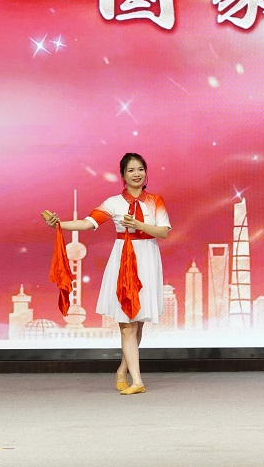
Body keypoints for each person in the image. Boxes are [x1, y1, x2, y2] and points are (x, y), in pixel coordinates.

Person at [43, 152, 171, 395]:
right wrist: (59, 224)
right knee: (127, 324)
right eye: (131, 170)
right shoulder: (113, 203)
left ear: (146, 173)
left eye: (140, 169)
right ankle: (138, 382)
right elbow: (87, 223)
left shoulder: (156, 201)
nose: (136, 174)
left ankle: (122, 371)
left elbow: (163, 232)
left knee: (137, 324)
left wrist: (139, 225)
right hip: (123, 261)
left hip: (147, 260)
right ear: (122, 175)